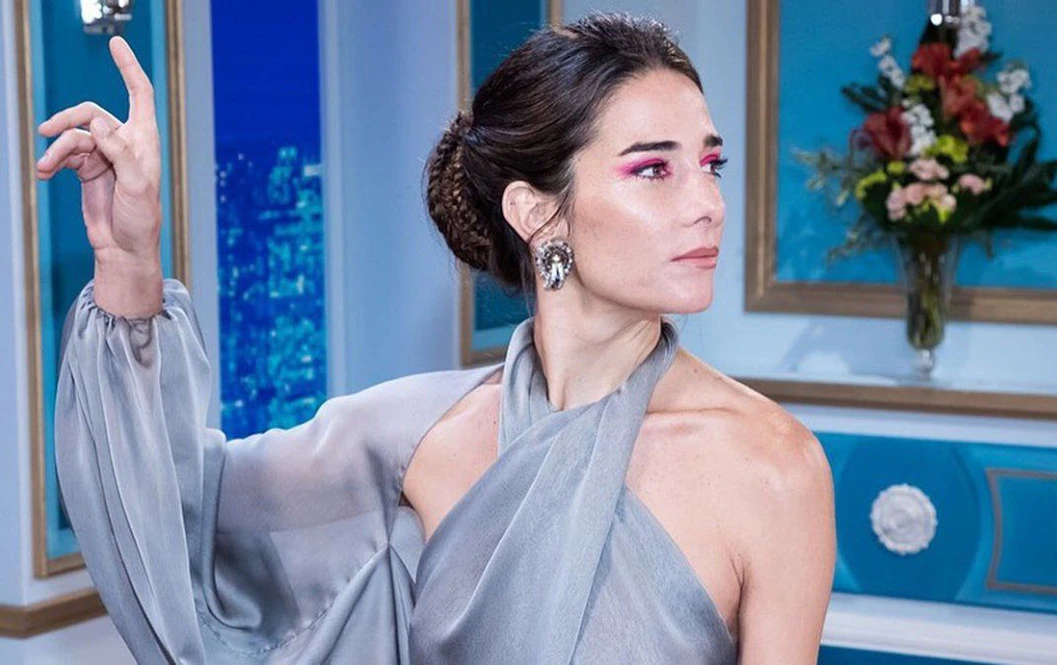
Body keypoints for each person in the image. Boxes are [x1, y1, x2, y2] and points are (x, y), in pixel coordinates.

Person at [39, 12, 835, 665]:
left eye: (710, 164)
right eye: (653, 170)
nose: (707, 203)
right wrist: (129, 257)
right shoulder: (414, 436)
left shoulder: (772, 466)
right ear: (535, 211)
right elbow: (170, 519)